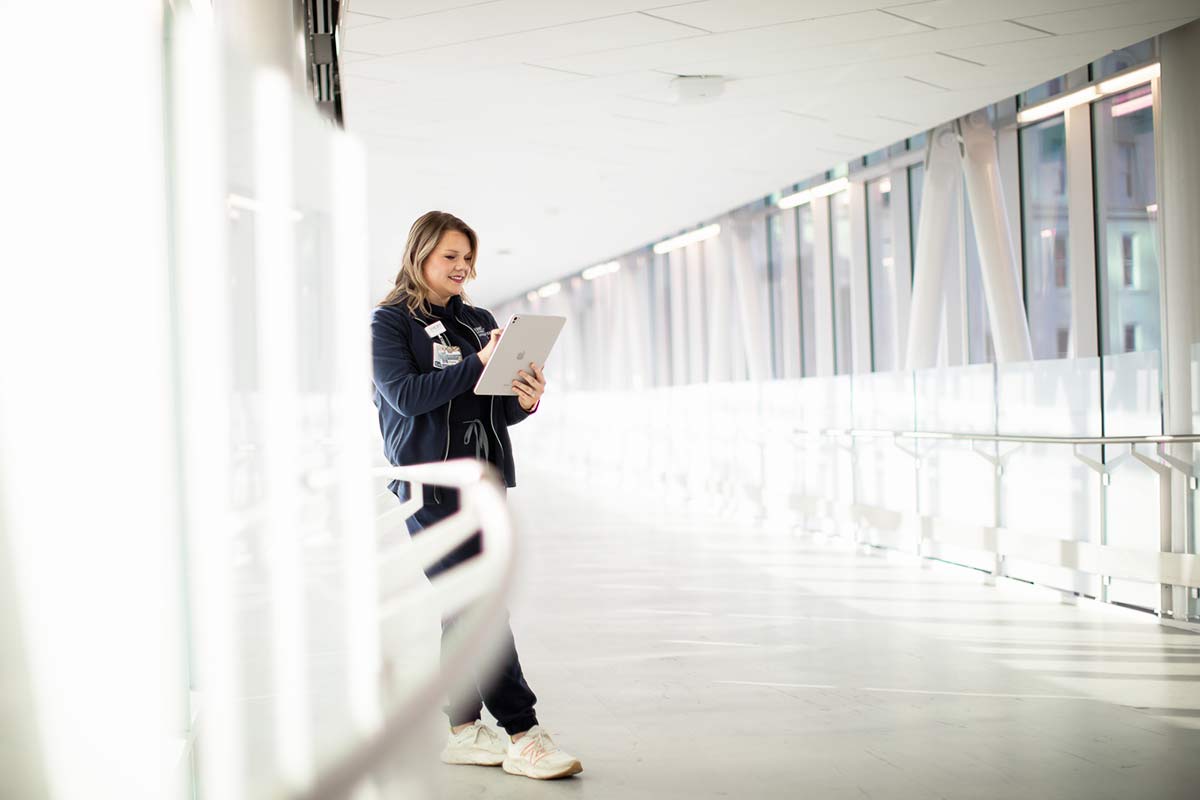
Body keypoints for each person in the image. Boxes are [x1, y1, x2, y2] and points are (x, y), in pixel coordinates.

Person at [370, 210, 582, 780]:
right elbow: (406, 397)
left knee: (464, 604)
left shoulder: (478, 321)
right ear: (420, 256)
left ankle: (463, 730)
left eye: (468, 257)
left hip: (485, 478)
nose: (462, 266)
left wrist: (525, 398)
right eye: (450, 256)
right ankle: (523, 731)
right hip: (430, 484)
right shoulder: (389, 323)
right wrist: (478, 362)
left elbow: (495, 409)